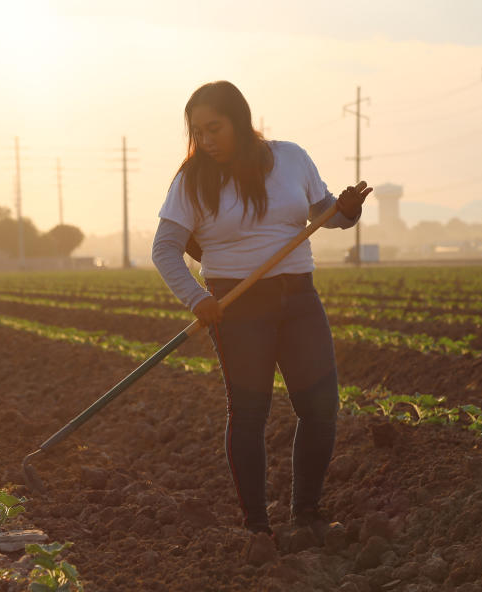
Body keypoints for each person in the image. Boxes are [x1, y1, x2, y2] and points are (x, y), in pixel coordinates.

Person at [151, 80, 371, 553]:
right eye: (198, 132)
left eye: (215, 128)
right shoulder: (191, 181)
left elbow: (322, 214)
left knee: (320, 408)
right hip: (237, 305)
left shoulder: (291, 158)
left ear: (241, 120)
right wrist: (196, 297)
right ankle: (257, 528)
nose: (207, 141)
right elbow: (165, 249)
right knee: (249, 413)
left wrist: (346, 213)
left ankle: (307, 513)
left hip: (299, 298)